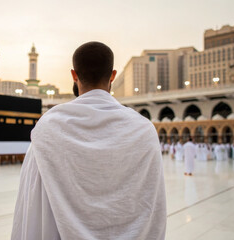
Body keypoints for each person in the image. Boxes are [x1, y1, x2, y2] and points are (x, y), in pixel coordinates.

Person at [12, 42, 166, 239]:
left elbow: (31, 204)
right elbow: (153, 205)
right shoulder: (143, 129)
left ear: (74, 75)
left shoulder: (49, 127)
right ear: (113, 75)